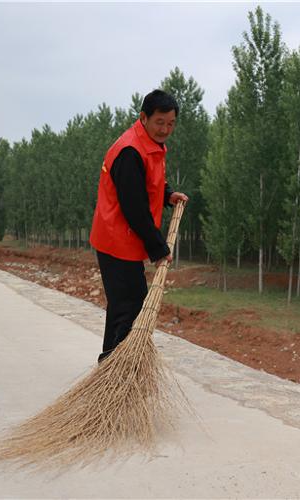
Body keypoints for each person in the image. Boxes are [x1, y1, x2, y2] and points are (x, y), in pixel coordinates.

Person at [89, 89, 189, 364]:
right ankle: (113, 371)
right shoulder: (130, 151)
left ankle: (112, 367)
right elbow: (134, 208)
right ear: (143, 117)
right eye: (160, 122)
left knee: (126, 306)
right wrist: (158, 247)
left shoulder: (148, 145)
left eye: (171, 124)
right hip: (116, 239)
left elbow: (148, 183)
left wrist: (168, 195)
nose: (165, 129)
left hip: (126, 240)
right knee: (129, 307)